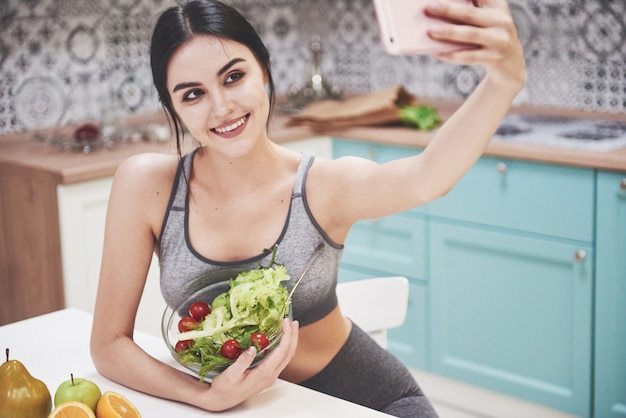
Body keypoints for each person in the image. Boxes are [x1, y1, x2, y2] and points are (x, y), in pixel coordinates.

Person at [90, 0, 525, 416]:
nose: (221, 107)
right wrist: (205, 398)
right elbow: (109, 345)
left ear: (264, 70)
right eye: (192, 95)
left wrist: (504, 80)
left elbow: (427, 177)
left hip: (358, 400)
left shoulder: (322, 187)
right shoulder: (148, 186)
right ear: (173, 109)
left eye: (233, 77)